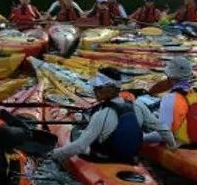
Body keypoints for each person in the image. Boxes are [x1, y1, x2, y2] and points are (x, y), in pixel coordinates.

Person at [47, 68, 175, 163]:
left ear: (110, 88)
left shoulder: (101, 115)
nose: (94, 90)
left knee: (76, 136)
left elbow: (80, 146)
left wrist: (54, 155)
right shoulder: (138, 106)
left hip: (105, 160)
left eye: (98, 87)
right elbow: (163, 129)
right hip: (131, 160)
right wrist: (172, 147)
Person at [156, 56, 197, 147]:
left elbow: (162, 134)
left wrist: (142, 137)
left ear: (170, 77)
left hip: (180, 146)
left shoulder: (169, 98)